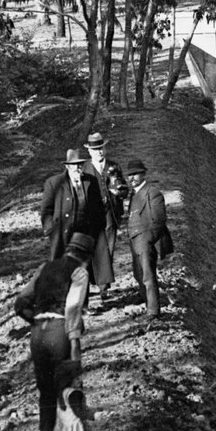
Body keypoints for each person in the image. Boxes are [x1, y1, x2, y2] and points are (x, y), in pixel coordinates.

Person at [12, 236, 92, 431]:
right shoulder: (80, 272)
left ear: (67, 250)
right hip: (60, 333)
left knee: (46, 394)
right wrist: (74, 341)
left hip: (38, 334)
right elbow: (73, 307)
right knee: (66, 391)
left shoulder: (44, 268)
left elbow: (20, 303)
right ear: (86, 258)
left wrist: (36, 321)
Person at [122, 157, 173, 325]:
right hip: (134, 239)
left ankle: (153, 311)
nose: (132, 178)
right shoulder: (134, 193)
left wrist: (148, 240)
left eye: (136, 174)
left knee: (148, 276)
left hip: (144, 240)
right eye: (130, 175)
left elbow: (159, 220)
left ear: (144, 174)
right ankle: (148, 305)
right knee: (138, 274)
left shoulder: (152, 192)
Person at [39, 146, 108, 265]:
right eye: (74, 164)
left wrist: (98, 228)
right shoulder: (54, 182)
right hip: (62, 232)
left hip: (84, 232)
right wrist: (51, 230)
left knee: (82, 267)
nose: (77, 168)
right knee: (61, 267)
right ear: (67, 166)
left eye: (80, 164)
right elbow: (46, 209)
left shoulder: (90, 181)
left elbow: (98, 207)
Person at [85, 131, 127, 306]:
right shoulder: (85, 168)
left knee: (108, 249)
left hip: (110, 213)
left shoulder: (114, 166)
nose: (99, 152)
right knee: (92, 249)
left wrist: (120, 192)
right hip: (91, 216)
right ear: (90, 152)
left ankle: (104, 287)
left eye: (101, 149)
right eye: (96, 150)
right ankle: (89, 285)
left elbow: (124, 188)